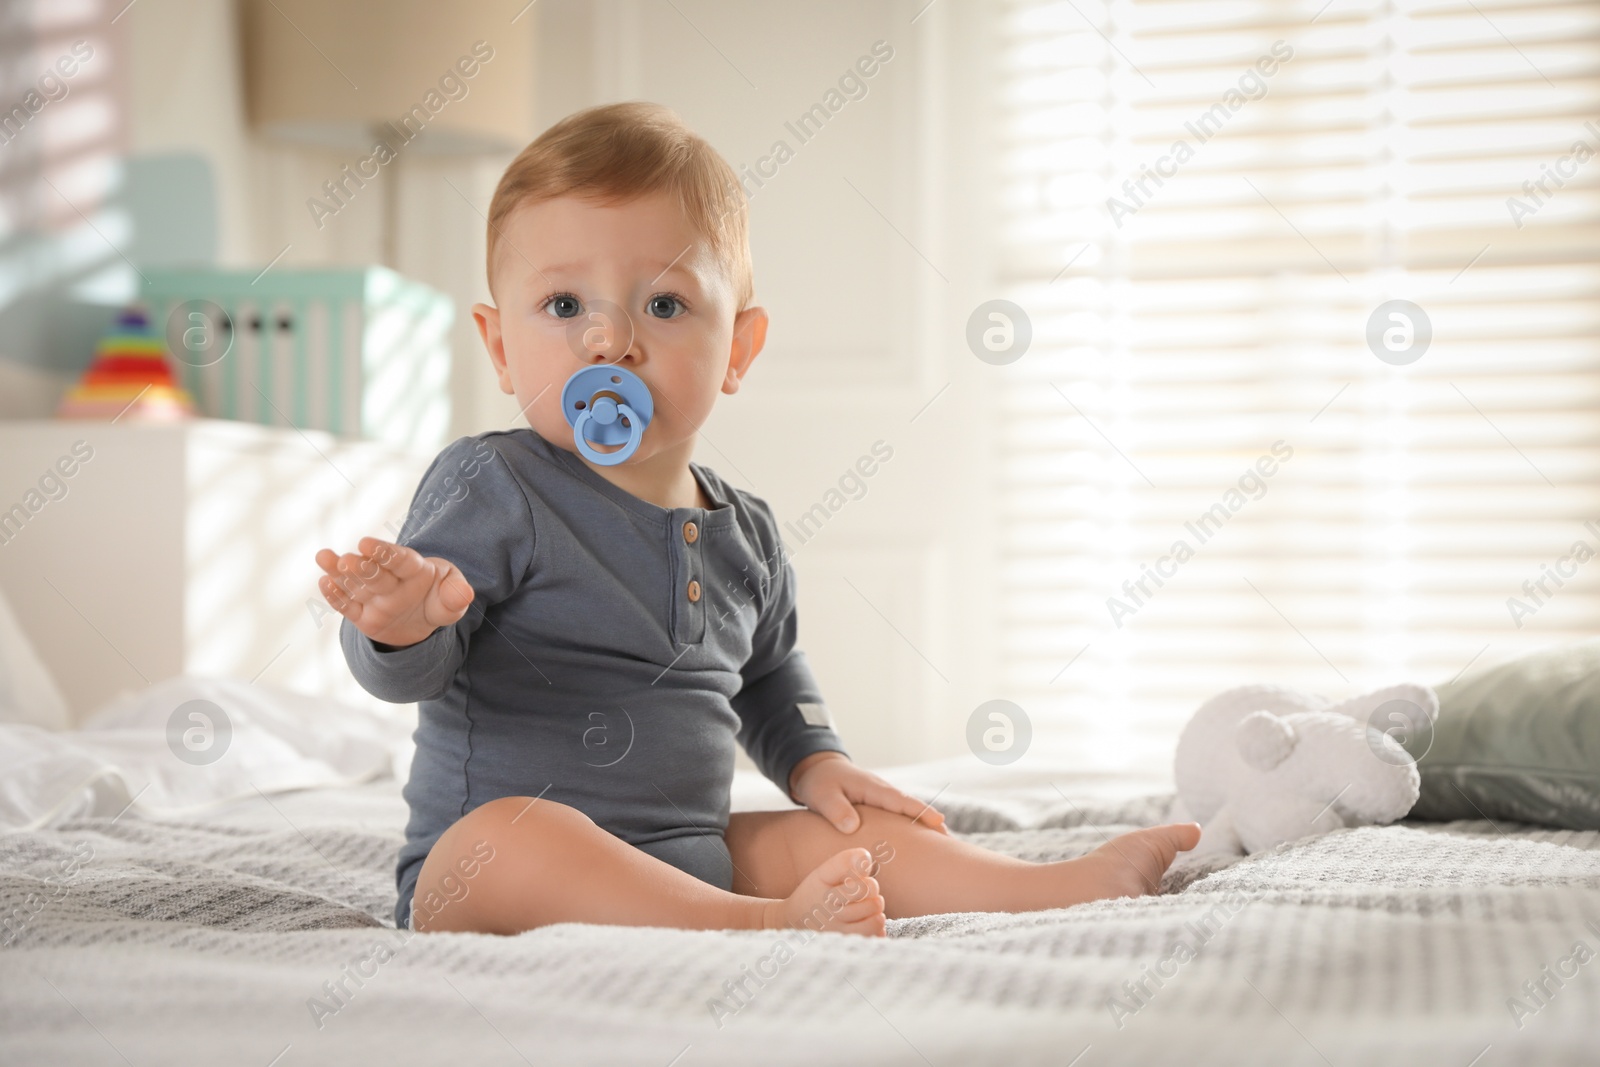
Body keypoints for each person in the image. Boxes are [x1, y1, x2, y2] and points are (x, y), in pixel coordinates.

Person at [314, 101, 1199, 938]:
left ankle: (1050, 887)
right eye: (563, 304)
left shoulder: (748, 534)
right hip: (486, 879)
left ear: (736, 348)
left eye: (664, 305)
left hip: (687, 857)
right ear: (502, 346)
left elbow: (770, 678)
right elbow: (411, 674)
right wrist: (398, 630)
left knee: (828, 836)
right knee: (508, 833)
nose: (608, 340)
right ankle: (767, 926)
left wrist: (818, 763)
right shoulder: (494, 483)